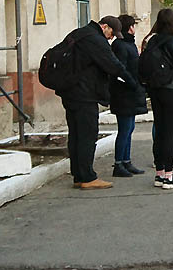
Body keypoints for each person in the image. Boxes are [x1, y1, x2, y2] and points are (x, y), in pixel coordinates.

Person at [54, 16, 139, 189]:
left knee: (76, 135)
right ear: (104, 26)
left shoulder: (78, 34)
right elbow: (114, 65)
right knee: (87, 135)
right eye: (111, 33)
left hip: (70, 92)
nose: (111, 37)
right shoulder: (95, 39)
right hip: (84, 94)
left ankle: (78, 174)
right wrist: (133, 84)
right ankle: (87, 177)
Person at [141, 8, 173, 190]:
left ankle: (159, 174)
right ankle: (169, 177)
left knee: (160, 131)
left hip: (155, 89)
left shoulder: (152, 40)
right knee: (170, 134)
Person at [109, 14, 148, 176]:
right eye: (131, 26)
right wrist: (132, 83)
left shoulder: (129, 45)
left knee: (130, 128)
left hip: (132, 93)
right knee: (124, 129)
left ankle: (126, 161)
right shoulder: (119, 46)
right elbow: (120, 70)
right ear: (125, 28)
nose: (134, 29)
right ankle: (119, 163)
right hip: (123, 94)